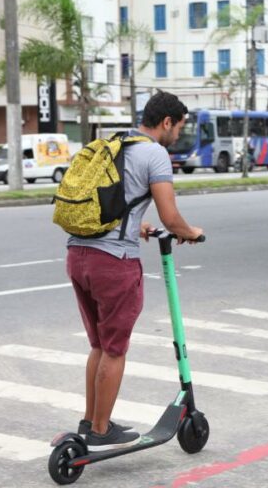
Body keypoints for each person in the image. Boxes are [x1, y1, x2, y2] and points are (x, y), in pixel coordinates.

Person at [65, 91, 203, 451]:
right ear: (167, 122)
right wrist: (191, 232)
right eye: (179, 127)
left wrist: (138, 224)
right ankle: (99, 429)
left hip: (78, 254)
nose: (178, 135)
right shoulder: (155, 153)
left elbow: (116, 201)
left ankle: (90, 419)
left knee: (99, 344)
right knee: (114, 349)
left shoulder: (114, 142)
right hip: (114, 263)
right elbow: (170, 216)